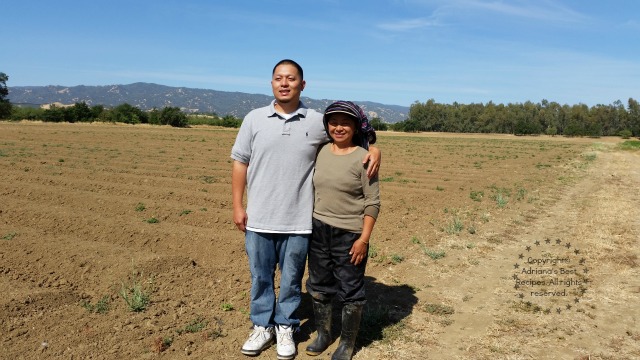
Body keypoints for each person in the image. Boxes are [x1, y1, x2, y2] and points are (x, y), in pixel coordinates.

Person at [231, 60, 380, 360]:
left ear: (303, 84)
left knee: (291, 278)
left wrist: (374, 147)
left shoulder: (315, 121)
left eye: (291, 78)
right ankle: (262, 326)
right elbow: (240, 163)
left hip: (300, 222)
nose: (284, 83)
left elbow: (350, 135)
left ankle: (285, 326)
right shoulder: (254, 119)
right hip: (259, 217)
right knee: (260, 277)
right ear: (271, 83)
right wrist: (237, 205)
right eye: (278, 78)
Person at [305, 101, 380, 360]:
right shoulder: (321, 151)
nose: (339, 127)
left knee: (350, 289)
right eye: (334, 122)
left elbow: (372, 202)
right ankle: (324, 334)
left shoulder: (365, 158)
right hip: (317, 229)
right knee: (319, 284)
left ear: (355, 127)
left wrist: (363, 239)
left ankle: (347, 344)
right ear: (327, 125)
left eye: (345, 122)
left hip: (349, 234)